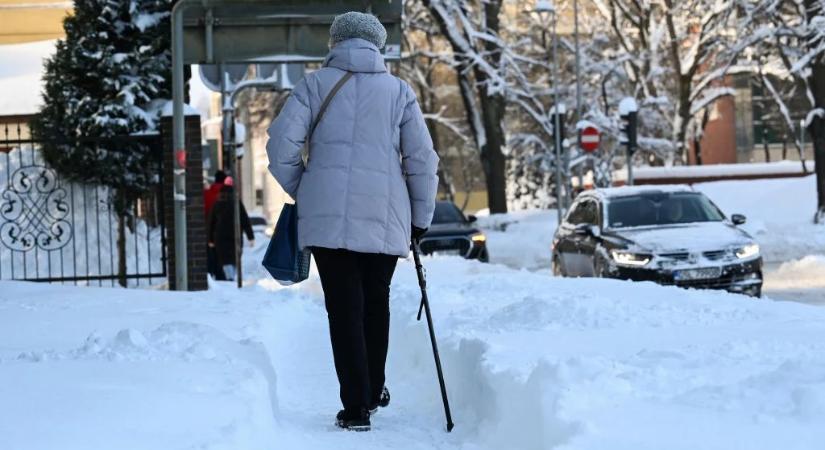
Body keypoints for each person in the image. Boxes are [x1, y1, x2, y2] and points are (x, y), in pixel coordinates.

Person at [265, 12, 439, 431]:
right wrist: (421, 218)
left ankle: (356, 406)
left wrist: (306, 189)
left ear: (335, 42)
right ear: (377, 46)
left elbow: (279, 148)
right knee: (375, 302)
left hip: (327, 219)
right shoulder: (399, 92)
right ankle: (374, 387)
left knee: (343, 308)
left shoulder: (313, 85)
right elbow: (422, 161)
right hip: (385, 214)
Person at [206, 177, 255, 281]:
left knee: (224, 259)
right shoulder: (237, 203)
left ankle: (229, 278)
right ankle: (231, 278)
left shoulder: (217, 203)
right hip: (235, 235)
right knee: (234, 258)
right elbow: (245, 219)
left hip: (220, 237)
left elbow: (211, 222)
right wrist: (250, 237)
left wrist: (210, 239)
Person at [204, 170, 227, 278]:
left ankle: (210, 272)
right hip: (223, 229)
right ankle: (221, 274)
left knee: (210, 252)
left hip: (208, 228)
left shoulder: (207, 193)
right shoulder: (228, 194)